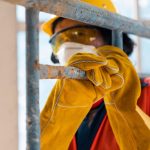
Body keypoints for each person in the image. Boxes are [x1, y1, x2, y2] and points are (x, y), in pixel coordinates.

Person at [40, 0, 150, 150]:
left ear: (111, 39)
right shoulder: (61, 104)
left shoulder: (147, 94)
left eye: (80, 34)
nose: (67, 46)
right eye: (59, 41)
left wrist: (128, 111)